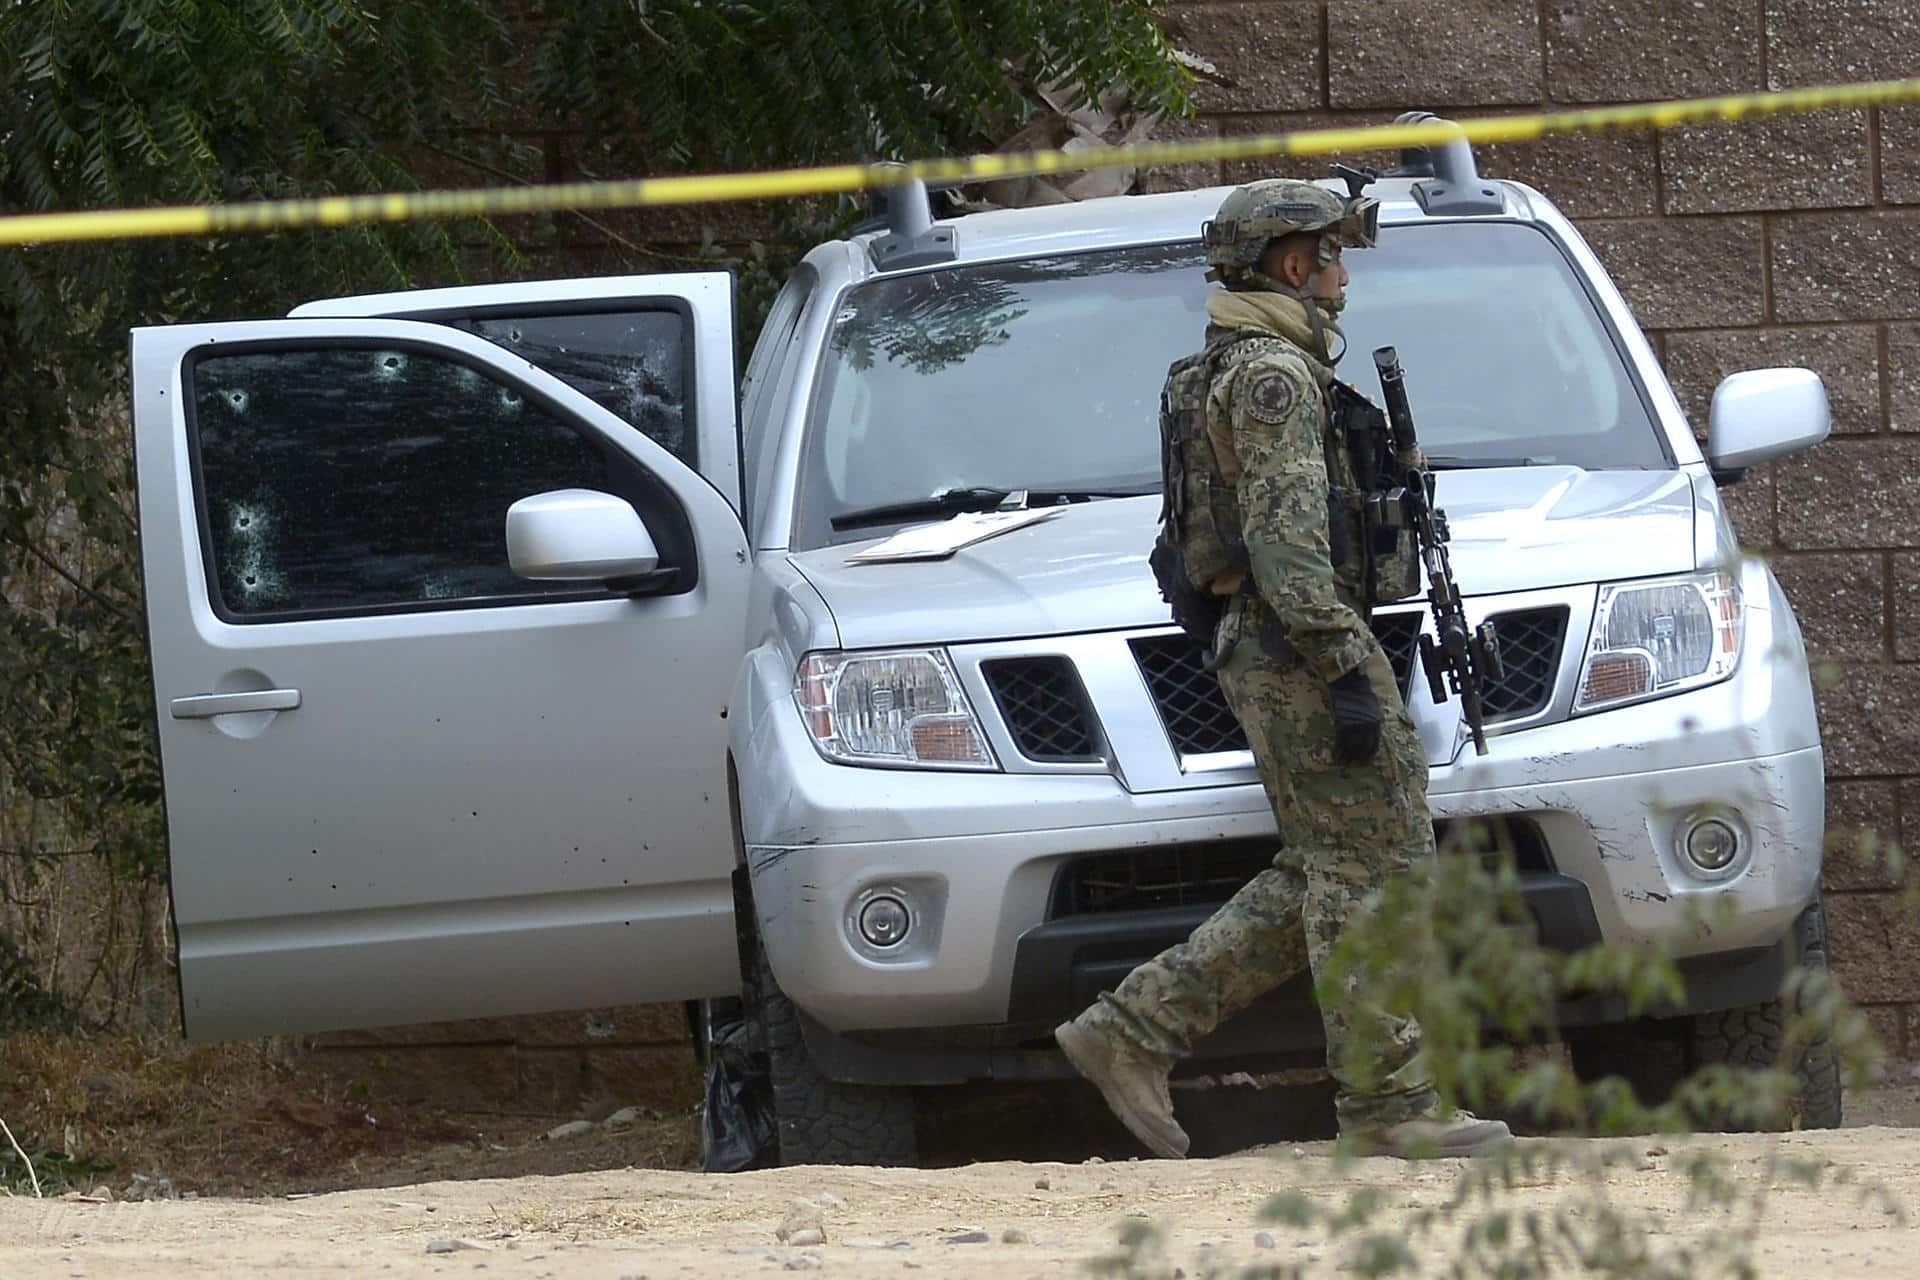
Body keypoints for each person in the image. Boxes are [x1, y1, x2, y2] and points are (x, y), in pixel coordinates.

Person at [1054, 179, 1511, 1160]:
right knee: (1380, 868)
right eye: (1334, 257)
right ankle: (1388, 1104)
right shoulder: (1274, 377)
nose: (1344, 279)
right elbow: (1287, 546)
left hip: (1276, 642)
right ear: (1295, 265)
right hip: (1299, 642)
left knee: (1332, 865)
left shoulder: (1230, 365)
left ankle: (1132, 1029)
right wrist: (1344, 665)